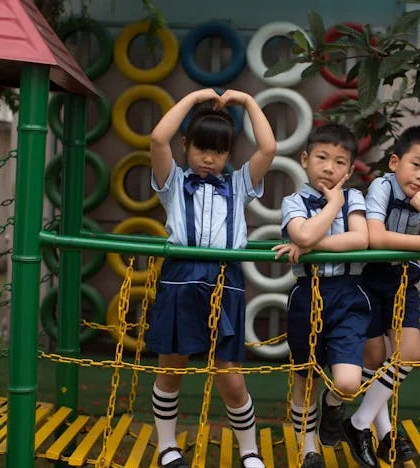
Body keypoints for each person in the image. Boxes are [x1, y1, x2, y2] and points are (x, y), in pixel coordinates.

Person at [145, 88, 275, 468]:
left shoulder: (238, 185)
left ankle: (249, 451)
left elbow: (268, 148)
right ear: (186, 144)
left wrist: (248, 102)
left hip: (225, 278)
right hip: (180, 278)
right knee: (171, 367)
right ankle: (167, 447)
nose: (208, 158)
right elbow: (157, 138)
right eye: (201, 148)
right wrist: (194, 98)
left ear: (228, 154)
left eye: (218, 151)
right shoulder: (172, 182)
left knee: (229, 375)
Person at [347, 125, 420, 466]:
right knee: (373, 359)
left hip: (402, 283)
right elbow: (376, 237)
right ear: (394, 162)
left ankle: (358, 423)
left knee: (408, 354)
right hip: (368, 281)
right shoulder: (382, 187)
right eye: (416, 165)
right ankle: (385, 435)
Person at [271, 124, 372, 468]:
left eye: (339, 162)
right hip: (307, 294)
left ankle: (333, 404)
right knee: (306, 376)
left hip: (348, 295)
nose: (329, 168)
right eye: (322, 158)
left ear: (349, 170)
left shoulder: (354, 198)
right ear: (305, 159)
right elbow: (302, 233)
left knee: (348, 382)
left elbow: (360, 240)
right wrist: (332, 206)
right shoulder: (293, 201)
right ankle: (307, 446)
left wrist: (311, 245)